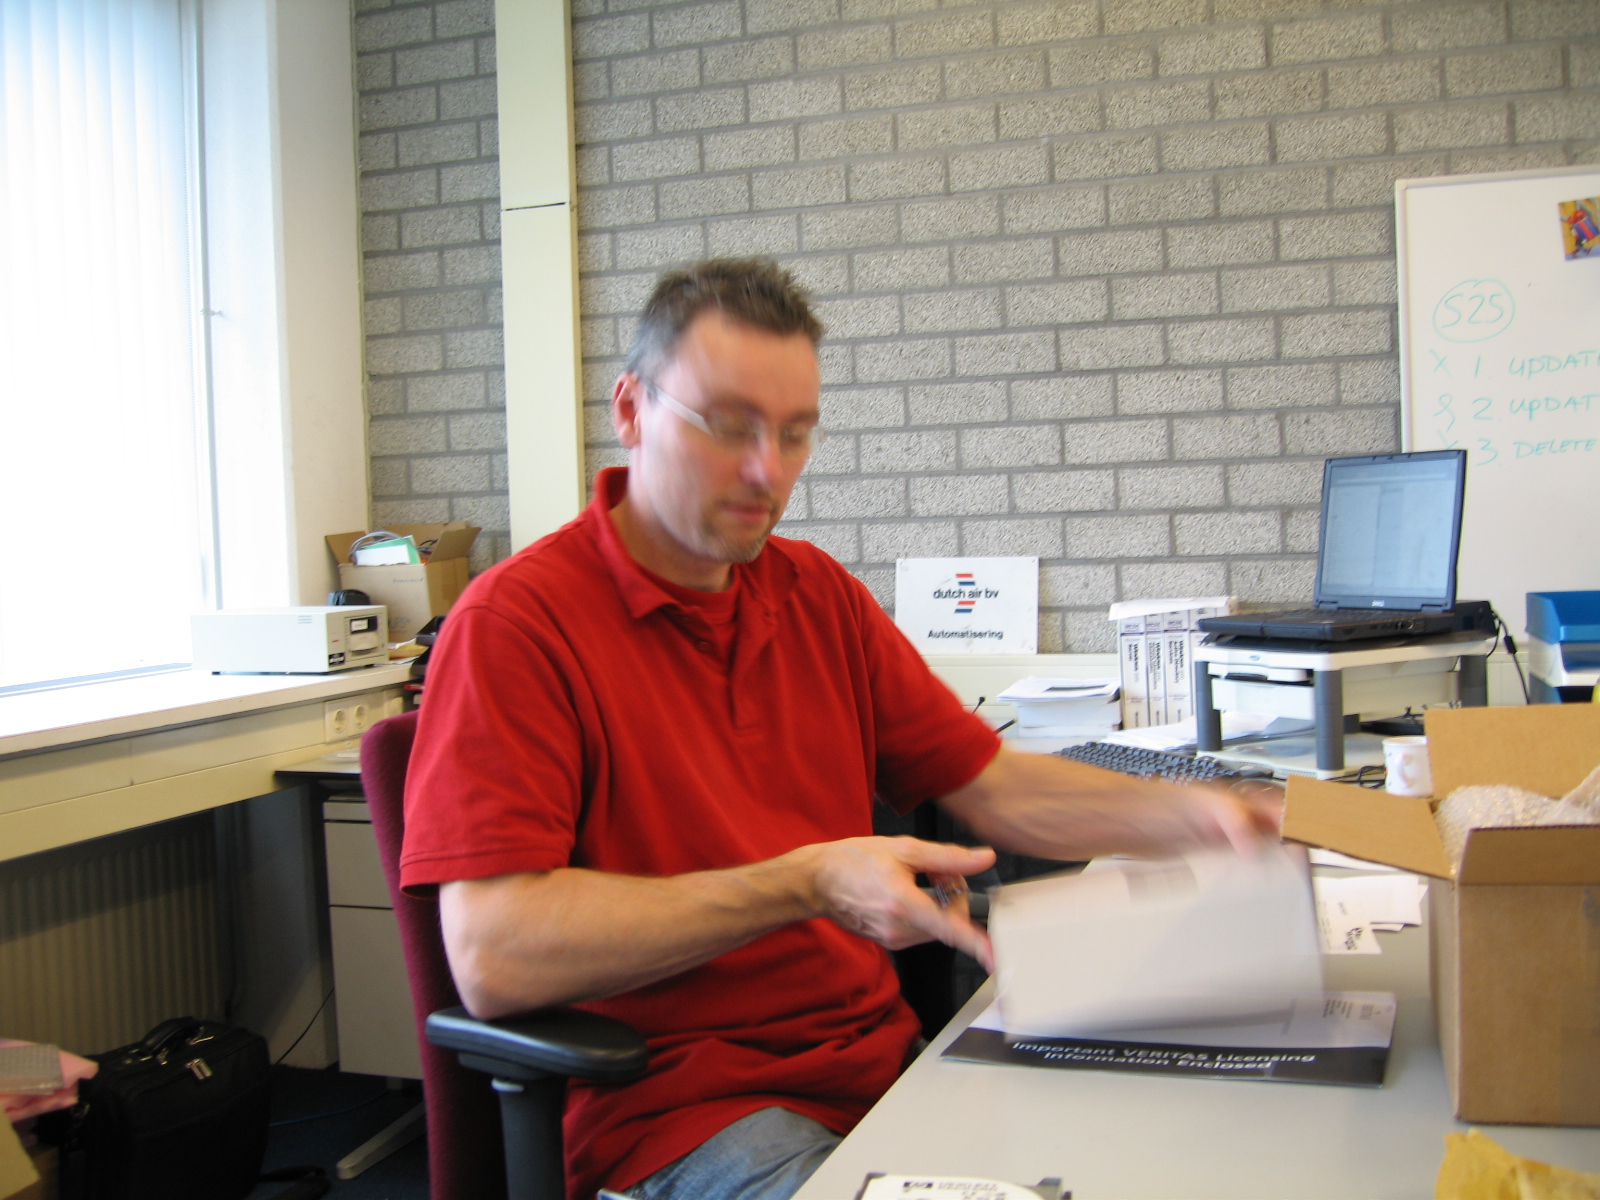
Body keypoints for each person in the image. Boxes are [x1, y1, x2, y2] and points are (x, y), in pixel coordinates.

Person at [400, 258, 1278, 1200]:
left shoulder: (816, 596)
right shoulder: (519, 627)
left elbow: (997, 787)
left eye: (795, 434)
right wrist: (807, 881)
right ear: (630, 409)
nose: (765, 471)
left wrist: (1205, 815)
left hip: (890, 1076)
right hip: (687, 1123)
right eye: (727, 426)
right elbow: (494, 955)